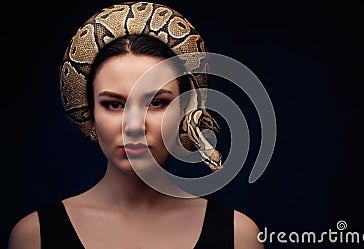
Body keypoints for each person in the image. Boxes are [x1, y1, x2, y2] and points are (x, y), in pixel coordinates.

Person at [8, 2, 264, 249]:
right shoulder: (34, 236)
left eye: (156, 103)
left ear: (185, 111)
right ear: (90, 114)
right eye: (114, 105)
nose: (133, 126)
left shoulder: (239, 235)